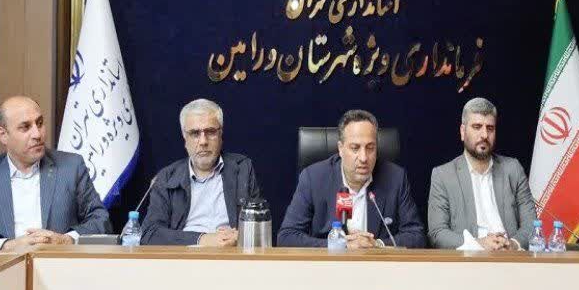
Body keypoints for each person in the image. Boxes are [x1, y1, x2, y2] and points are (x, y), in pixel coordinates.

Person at [0, 96, 111, 264]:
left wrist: (66, 240)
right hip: (2, 274)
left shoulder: (71, 167)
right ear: (3, 135)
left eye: (39, 123)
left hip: (61, 270)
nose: (37, 134)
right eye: (25, 127)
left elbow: (101, 221)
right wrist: (6, 246)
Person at [278, 109, 425, 248]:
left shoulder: (395, 178)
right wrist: (341, 245)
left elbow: (417, 235)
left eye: (370, 148)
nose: (363, 158)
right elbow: (287, 237)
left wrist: (377, 245)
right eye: (355, 148)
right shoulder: (313, 178)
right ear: (340, 149)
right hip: (330, 263)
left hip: (376, 263)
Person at [141, 99, 261, 246]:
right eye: (195, 133)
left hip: (231, 253)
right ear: (185, 138)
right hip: (185, 255)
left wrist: (241, 236)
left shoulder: (242, 168)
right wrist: (202, 239)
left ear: (221, 134)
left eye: (210, 132)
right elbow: (149, 234)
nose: (203, 141)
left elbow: (259, 227)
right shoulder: (167, 177)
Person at [428, 97, 537, 250]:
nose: (484, 135)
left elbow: (532, 225)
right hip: (469, 260)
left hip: (510, 257)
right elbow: (437, 234)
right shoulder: (443, 176)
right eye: (477, 127)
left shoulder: (513, 169)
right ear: (463, 132)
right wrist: (478, 244)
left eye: (490, 128)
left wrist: (513, 244)